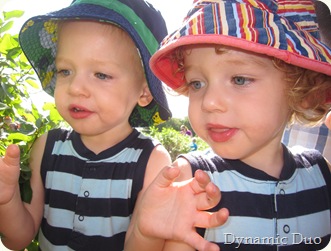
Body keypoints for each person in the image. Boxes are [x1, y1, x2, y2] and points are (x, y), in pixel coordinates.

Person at [126, 0, 331, 250]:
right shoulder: (192, 181)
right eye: (197, 84)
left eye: (239, 79)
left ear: (303, 91)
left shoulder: (320, 175)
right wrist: (144, 234)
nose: (209, 102)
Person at [0, 0, 177, 250]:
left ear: (145, 92)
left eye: (101, 74)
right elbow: (19, 239)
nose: (75, 88)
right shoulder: (46, 147)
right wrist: (7, 200)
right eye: (64, 71)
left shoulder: (151, 162)